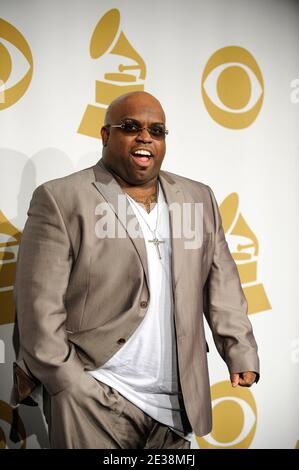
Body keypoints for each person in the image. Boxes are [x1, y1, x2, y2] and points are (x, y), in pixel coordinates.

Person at [13, 91, 259, 449]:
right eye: (131, 127)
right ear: (105, 136)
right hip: (94, 396)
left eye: (157, 131)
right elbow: (38, 304)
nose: (145, 137)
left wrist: (240, 351)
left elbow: (222, 282)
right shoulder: (61, 197)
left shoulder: (198, 197)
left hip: (176, 402)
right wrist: (69, 382)